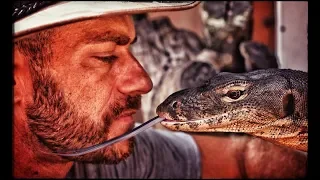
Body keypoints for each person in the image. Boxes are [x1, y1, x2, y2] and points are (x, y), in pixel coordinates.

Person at [13, 1, 307, 178]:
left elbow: (243, 160)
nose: (143, 81)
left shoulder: (104, 157)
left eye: (131, 49)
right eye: (105, 56)